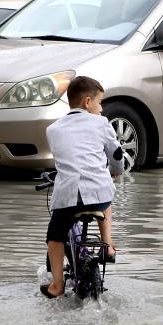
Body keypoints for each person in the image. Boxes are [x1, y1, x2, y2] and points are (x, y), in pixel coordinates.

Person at [41, 76, 124, 298]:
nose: (102, 107)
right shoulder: (101, 123)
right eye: (100, 102)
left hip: (67, 197)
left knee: (54, 236)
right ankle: (107, 245)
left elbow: (67, 157)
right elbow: (116, 155)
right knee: (105, 193)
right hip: (98, 194)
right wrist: (116, 171)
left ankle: (57, 285)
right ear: (88, 102)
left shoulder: (53, 130)